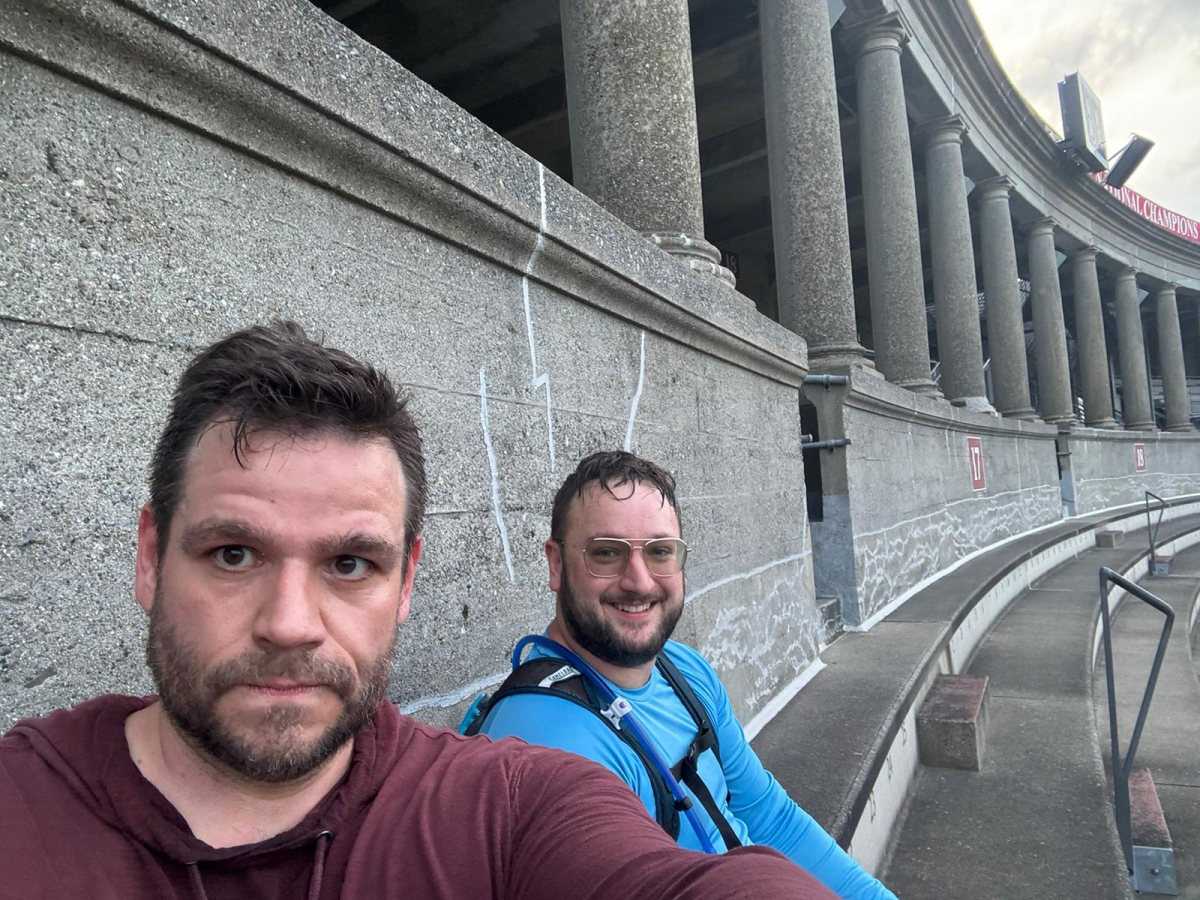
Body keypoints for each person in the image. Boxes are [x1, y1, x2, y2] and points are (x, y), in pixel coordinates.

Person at [0, 323, 837, 899]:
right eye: (234, 554)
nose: (290, 622)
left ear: (405, 585)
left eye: (350, 564)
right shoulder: (25, 806)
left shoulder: (502, 806)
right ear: (150, 557)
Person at [473, 451, 898, 900]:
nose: (639, 581)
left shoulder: (685, 670)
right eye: (606, 553)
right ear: (556, 565)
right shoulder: (545, 741)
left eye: (659, 552)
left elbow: (769, 816)